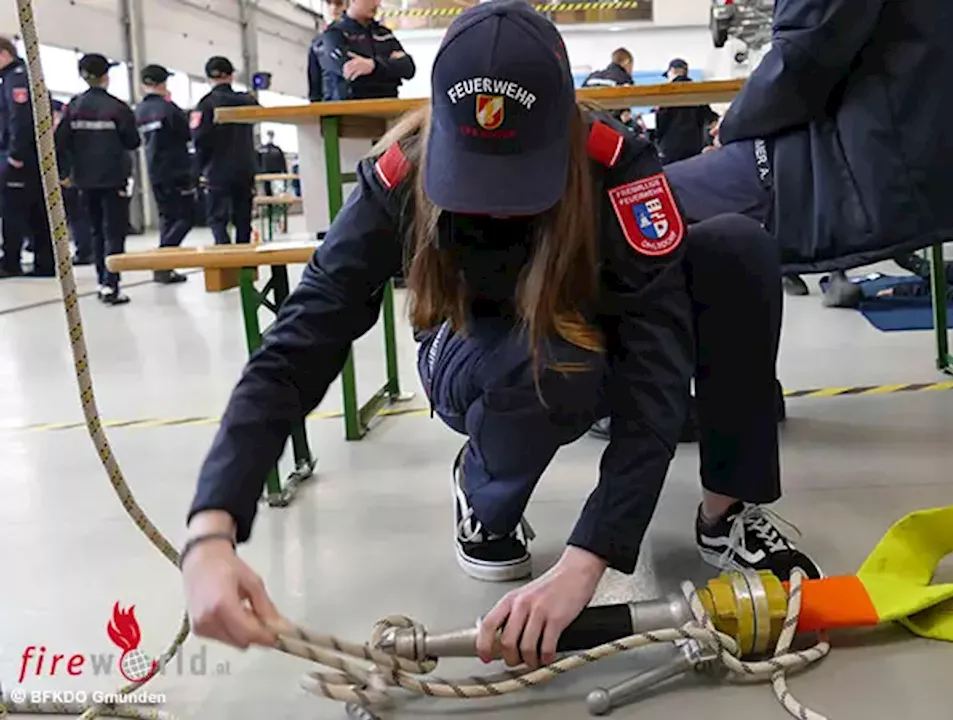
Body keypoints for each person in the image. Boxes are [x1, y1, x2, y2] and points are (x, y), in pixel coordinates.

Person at [180, 1, 819, 670]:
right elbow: (298, 345)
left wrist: (587, 560)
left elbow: (654, 368)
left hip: (599, 339)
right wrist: (212, 525)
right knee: (556, 362)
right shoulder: (398, 176)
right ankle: (485, 492)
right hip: (488, 356)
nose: (495, 202)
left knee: (734, 249)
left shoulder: (621, 168)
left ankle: (724, 513)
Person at [667, 0, 953, 293]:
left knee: (641, 201)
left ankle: (707, 376)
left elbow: (801, 58)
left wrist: (730, 128)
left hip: (878, 162)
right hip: (932, 150)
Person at [56, 53, 140, 305]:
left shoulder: (73, 107)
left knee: (95, 231)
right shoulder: (118, 107)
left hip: (84, 180)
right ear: (106, 76)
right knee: (114, 231)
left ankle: (101, 281)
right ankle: (111, 283)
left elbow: (60, 142)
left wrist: (65, 174)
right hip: (114, 179)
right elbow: (133, 141)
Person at [135, 64, 194, 284]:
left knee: (167, 218)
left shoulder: (140, 111)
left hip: (154, 170)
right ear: (163, 83)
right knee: (185, 218)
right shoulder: (170, 109)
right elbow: (187, 135)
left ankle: (165, 267)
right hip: (177, 170)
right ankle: (162, 259)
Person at [0, 38, 53, 279]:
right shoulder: (24, 75)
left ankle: (11, 261)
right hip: (31, 156)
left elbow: (20, 119)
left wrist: (15, 155)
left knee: (14, 210)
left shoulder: (16, 78)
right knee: (34, 210)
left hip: (22, 158)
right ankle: (44, 262)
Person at [192, 56, 259, 246]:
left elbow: (199, 139)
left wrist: (198, 170)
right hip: (245, 168)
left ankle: (224, 261)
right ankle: (245, 267)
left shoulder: (205, 104)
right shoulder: (247, 100)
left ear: (207, 78)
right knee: (243, 220)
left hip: (216, 170)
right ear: (232, 76)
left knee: (217, 219)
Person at [317, 0, 416, 102]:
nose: (377, 4)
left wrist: (373, 65)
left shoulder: (384, 34)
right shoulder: (334, 34)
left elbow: (408, 68)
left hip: (387, 106)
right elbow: (349, 71)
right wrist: (390, 68)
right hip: (348, 110)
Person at [52, 98, 95, 267]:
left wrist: (65, 175)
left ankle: (85, 250)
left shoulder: (63, 130)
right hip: (79, 176)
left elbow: (63, 152)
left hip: (70, 177)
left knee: (77, 215)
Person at [651, 59, 718, 165]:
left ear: (672, 71)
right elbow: (708, 117)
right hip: (693, 146)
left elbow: (661, 121)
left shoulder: (666, 91)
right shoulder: (696, 91)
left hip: (670, 147)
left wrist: (657, 140)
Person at [308, 0, 349, 102]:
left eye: (338, 4)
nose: (333, 8)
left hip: (358, 103)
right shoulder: (317, 43)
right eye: (329, 3)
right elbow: (314, 84)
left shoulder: (358, 37)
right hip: (330, 106)